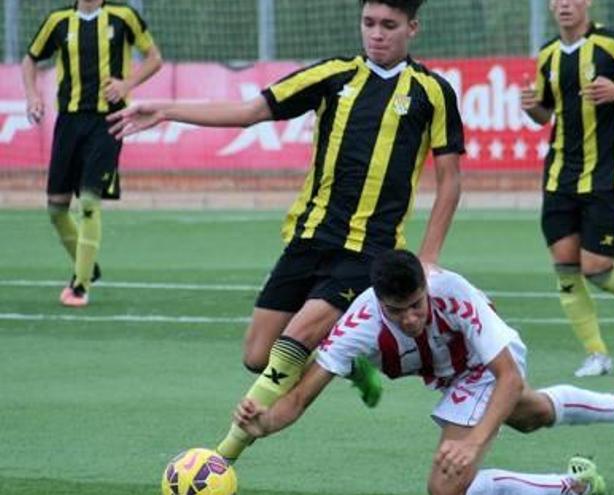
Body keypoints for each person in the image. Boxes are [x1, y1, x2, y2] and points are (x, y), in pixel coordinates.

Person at [109, 0, 463, 461]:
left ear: (412, 28)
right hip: (309, 239)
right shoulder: (333, 75)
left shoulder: (432, 92)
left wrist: (427, 257)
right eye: (369, 23)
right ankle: (352, 360)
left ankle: (219, 460)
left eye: (389, 26)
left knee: (293, 342)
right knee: (257, 354)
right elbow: (250, 110)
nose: (377, 34)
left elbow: (450, 179)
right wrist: (168, 110)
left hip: (367, 254)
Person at [234, 250, 614, 495]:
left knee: (446, 488)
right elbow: (299, 396)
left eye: (416, 306)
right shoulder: (359, 323)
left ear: (426, 289)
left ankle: (569, 489)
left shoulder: (453, 292)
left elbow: (507, 376)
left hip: (488, 365)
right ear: (379, 303)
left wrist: (475, 441)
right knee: (531, 415)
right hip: (451, 376)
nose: (410, 319)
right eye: (396, 312)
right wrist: (266, 421)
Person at [520, 0, 614, 377]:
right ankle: (597, 354)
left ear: (587, 3)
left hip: (604, 176)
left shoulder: (613, 44)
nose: (565, 5)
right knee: (566, 268)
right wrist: (531, 107)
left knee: (597, 268)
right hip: (558, 177)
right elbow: (544, 115)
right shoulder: (548, 55)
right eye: (558, 0)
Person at [22, 0, 163, 307]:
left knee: (88, 200)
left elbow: (154, 58)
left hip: (108, 122)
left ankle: (80, 286)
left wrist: (126, 84)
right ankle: (89, 266)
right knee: (56, 208)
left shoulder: (123, 16)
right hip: (69, 123)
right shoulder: (57, 20)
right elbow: (30, 60)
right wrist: (32, 96)